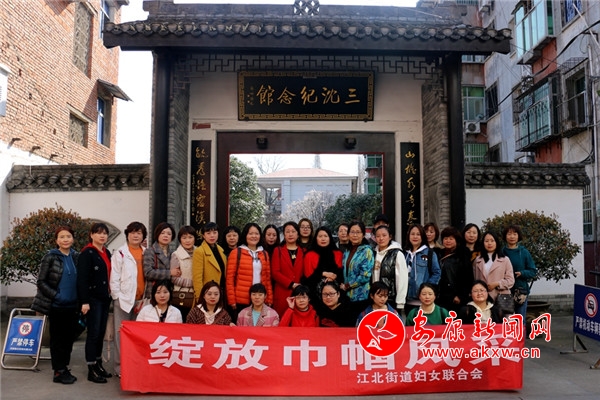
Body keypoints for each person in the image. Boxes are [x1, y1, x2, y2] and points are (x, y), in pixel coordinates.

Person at [31, 226, 80, 384]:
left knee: (69, 339)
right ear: (57, 240)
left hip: (73, 306)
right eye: (62, 237)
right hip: (57, 306)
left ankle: (64, 367)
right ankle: (58, 371)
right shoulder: (50, 257)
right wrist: (57, 296)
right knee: (58, 340)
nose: (65, 239)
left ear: (73, 239)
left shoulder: (76, 257)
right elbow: (41, 281)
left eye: (68, 236)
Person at [109, 221, 147, 378]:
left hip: (141, 300)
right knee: (121, 334)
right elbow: (114, 277)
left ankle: (135, 365)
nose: (135, 235)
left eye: (139, 233)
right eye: (132, 232)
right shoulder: (120, 253)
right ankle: (120, 367)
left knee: (137, 335)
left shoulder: (146, 253)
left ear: (143, 236)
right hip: (123, 300)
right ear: (127, 235)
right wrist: (117, 297)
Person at [76, 222, 113, 384]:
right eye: (98, 233)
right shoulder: (87, 253)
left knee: (101, 332)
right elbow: (82, 279)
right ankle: (91, 368)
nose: (102, 236)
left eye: (105, 233)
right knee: (93, 333)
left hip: (104, 298)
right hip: (92, 299)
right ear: (91, 235)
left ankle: (98, 364)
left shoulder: (106, 252)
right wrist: (84, 301)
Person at [226, 223, 273, 317]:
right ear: (245, 235)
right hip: (241, 299)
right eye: (250, 233)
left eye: (256, 233)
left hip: (260, 298)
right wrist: (232, 300)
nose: (254, 236)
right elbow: (230, 278)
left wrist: (269, 298)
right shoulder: (236, 252)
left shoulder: (264, 254)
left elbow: (267, 279)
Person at [502, 224, 537, 321]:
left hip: (520, 292)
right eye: (509, 234)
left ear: (518, 236)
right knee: (506, 320)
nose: (512, 237)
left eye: (515, 234)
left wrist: (522, 273)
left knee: (520, 320)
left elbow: (533, 271)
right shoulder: (501, 252)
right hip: (505, 291)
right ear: (505, 236)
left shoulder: (524, 252)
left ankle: (521, 332)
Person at [404, 224, 441, 316]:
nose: (415, 237)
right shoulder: (404, 253)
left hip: (424, 301)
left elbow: (437, 273)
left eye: (418, 234)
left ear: (422, 236)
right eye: (412, 234)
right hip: (406, 299)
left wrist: (426, 289)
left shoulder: (430, 253)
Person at [371, 225, 408, 313]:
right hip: (375, 299)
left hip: (390, 298)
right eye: (378, 236)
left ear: (390, 237)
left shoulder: (397, 254)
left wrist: (400, 302)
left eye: (384, 235)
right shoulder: (373, 253)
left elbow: (402, 279)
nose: (381, 238)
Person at [271, 221, 305, 316]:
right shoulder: (278, 250)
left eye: (293, 231)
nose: (290, 234)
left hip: (299, 293)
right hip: (282, 293)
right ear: (284, 235)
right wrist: (291, 284)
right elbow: (275, 272)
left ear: (298, 234)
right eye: (287, 232)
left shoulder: (303, 251)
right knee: (282, 320)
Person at [437, 226, 473, 314]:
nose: (448, 241)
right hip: (442, 295)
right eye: (445, 238)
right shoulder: (439, 254)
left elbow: (468, 276)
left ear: (456, 240)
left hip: (456, 297)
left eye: (451, 239)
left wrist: (460, 295)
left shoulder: (462, 253)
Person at [341, 221, 374, 312]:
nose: (355, 235)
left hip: (361, 296)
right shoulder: (347, 251)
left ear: (363, 235)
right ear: (348, 234)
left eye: (358, 232)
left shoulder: (367, 251)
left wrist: (348, 285)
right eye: (352, 232)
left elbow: (365, 276)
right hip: (347, 295)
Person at [473, 231, 515, 303]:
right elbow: (475, 280)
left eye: (492, 241)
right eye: (486, 241)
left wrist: (497, 284)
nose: (489, 243)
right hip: (482, 298)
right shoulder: (478, 260)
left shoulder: (505, 260)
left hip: (501, 298)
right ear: (483, 243)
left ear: (496, 242)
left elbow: (511, 280)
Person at [303, 226, 343, 299]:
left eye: (325, 236)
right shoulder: (309, 254)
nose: (323, 239)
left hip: (335, 293)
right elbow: (308, 276)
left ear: (330, 238)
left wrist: (333, 277)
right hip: (314, 293)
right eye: (320, 236)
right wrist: (323, 274)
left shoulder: (338, 253)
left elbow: (340, 272)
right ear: (316, 238)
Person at [143, 222, 178, 300]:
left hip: (168, 292)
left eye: (169, 234)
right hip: (154, 292)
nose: (166, 235)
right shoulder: (150, 251)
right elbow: (148, 273)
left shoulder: (173, 253)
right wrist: (169, 273)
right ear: (157, 234)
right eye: (162, 233)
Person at [192, 222, 227, 300]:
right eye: (208, 233)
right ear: (203, 235)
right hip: (208, 294)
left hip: (221, 292)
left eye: (215, 232)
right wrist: (200, 297)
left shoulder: (220, 250)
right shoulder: (199, 251)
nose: (212, 235)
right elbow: (197, 278)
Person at [170, 225, 197, 321]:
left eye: (190, 237)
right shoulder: (176, 255)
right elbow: (174, 278)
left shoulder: (199, 253)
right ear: (180, 239)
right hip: (182, 296)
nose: (187, 240)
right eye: (184, 238)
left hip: (198, 296)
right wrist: (193, 283)